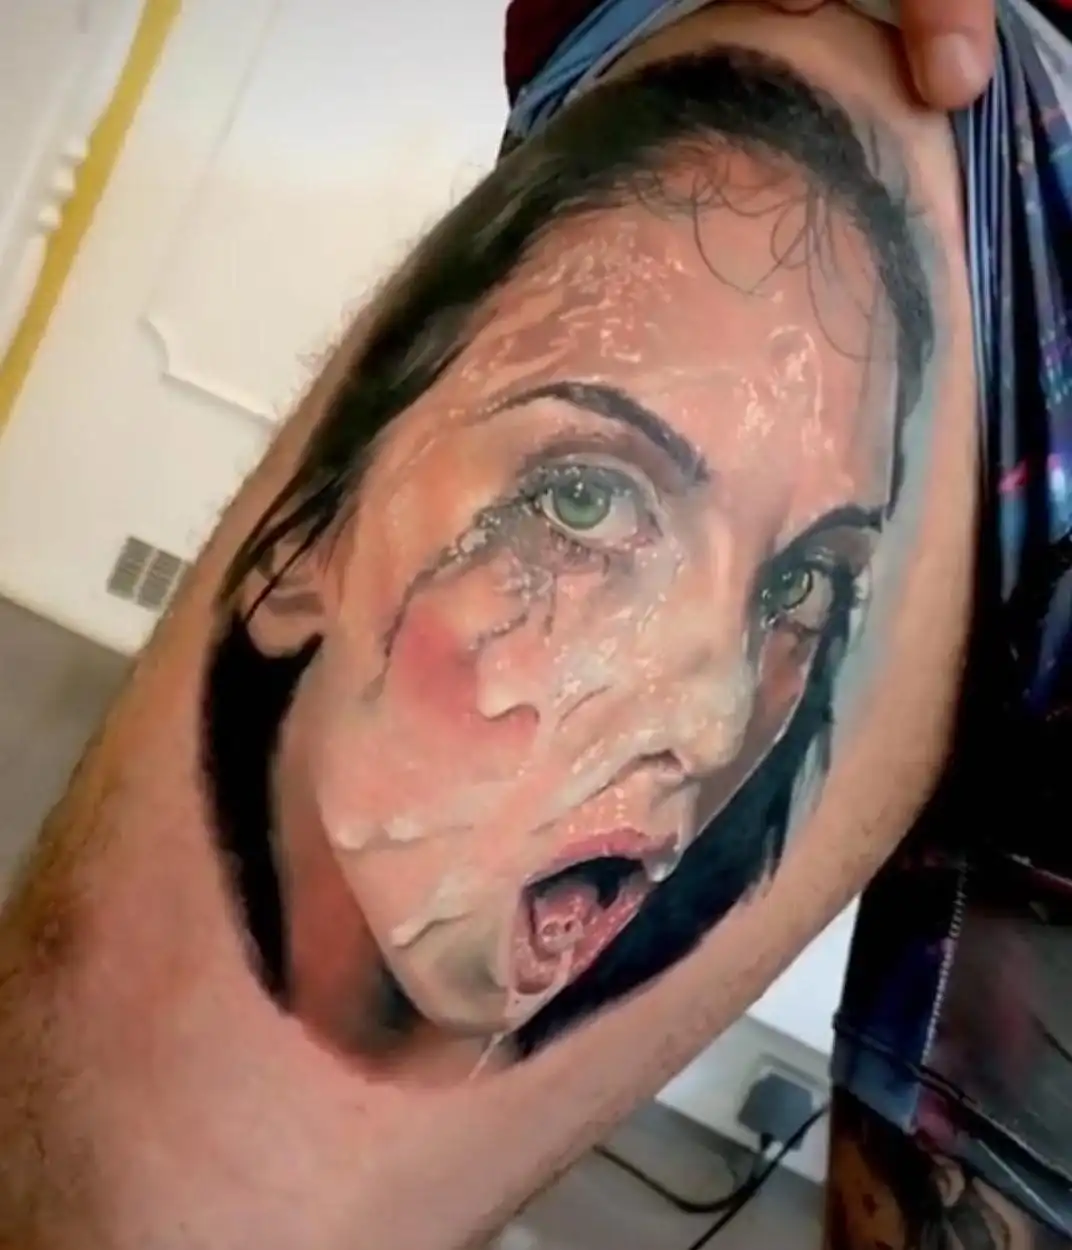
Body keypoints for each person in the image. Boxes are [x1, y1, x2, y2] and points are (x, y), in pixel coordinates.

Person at [0, 3, 1067, 1250]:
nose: (717, 723)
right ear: (301, 555)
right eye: (583, 501)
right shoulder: (783, 213)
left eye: (799, 588)